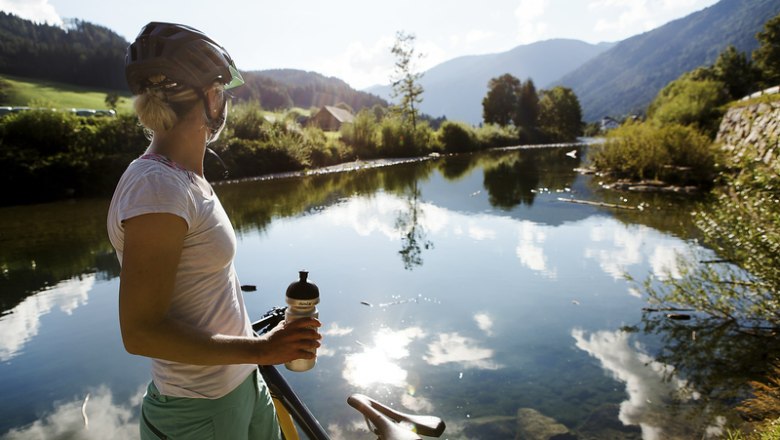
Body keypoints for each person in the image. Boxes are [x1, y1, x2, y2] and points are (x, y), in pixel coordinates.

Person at [107, 22, 321, 440]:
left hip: (244, 382)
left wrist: (259, 352)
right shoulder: (156, 187)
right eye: (222, 89)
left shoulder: (185, 179)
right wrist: (264, 349)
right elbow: (140, 332)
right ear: (211, 97)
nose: (224, 100)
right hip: (199, 410)